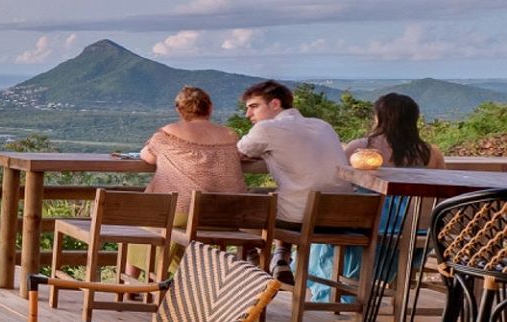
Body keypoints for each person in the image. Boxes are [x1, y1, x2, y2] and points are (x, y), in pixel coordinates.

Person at [307, 93, 447, 302]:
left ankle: (334, 291)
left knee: (327, 228)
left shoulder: (361, 149)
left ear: (379, 117)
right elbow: (441, 190)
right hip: (418, 230)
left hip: (372, 225)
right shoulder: (431, 153)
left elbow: (338, 183)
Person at [234, 80, 355, 284]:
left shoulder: (267, 128)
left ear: (275, 104)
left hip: (301, 219)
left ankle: (252, 262)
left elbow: (236, 154)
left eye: (254, 107)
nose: (248, 115)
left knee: (238, 201)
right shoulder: (322, 125)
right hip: (340, 218)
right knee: (286, 192)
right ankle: (281, 255)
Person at [142, 86, 246, 222]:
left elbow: (147, 156)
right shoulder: (230, 135)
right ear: (210, 107)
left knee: (145, 219)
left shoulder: (167, 134)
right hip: (230, 214)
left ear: (179, 110)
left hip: (184, 213)